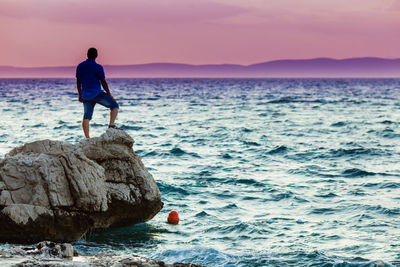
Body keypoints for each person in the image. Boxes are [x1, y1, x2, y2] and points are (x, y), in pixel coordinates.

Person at [76, 47, 120, 138]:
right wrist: (109, 94)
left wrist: (80, 94)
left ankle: (87, 138)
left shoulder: (80, 66)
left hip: (86, 95)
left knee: (86, 116)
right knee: (114, 105)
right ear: (96, 56)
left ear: (87, 55)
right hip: (97, 94)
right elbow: (103, 82)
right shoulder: (98, 67)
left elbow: (78, 81)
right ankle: (111, 125)